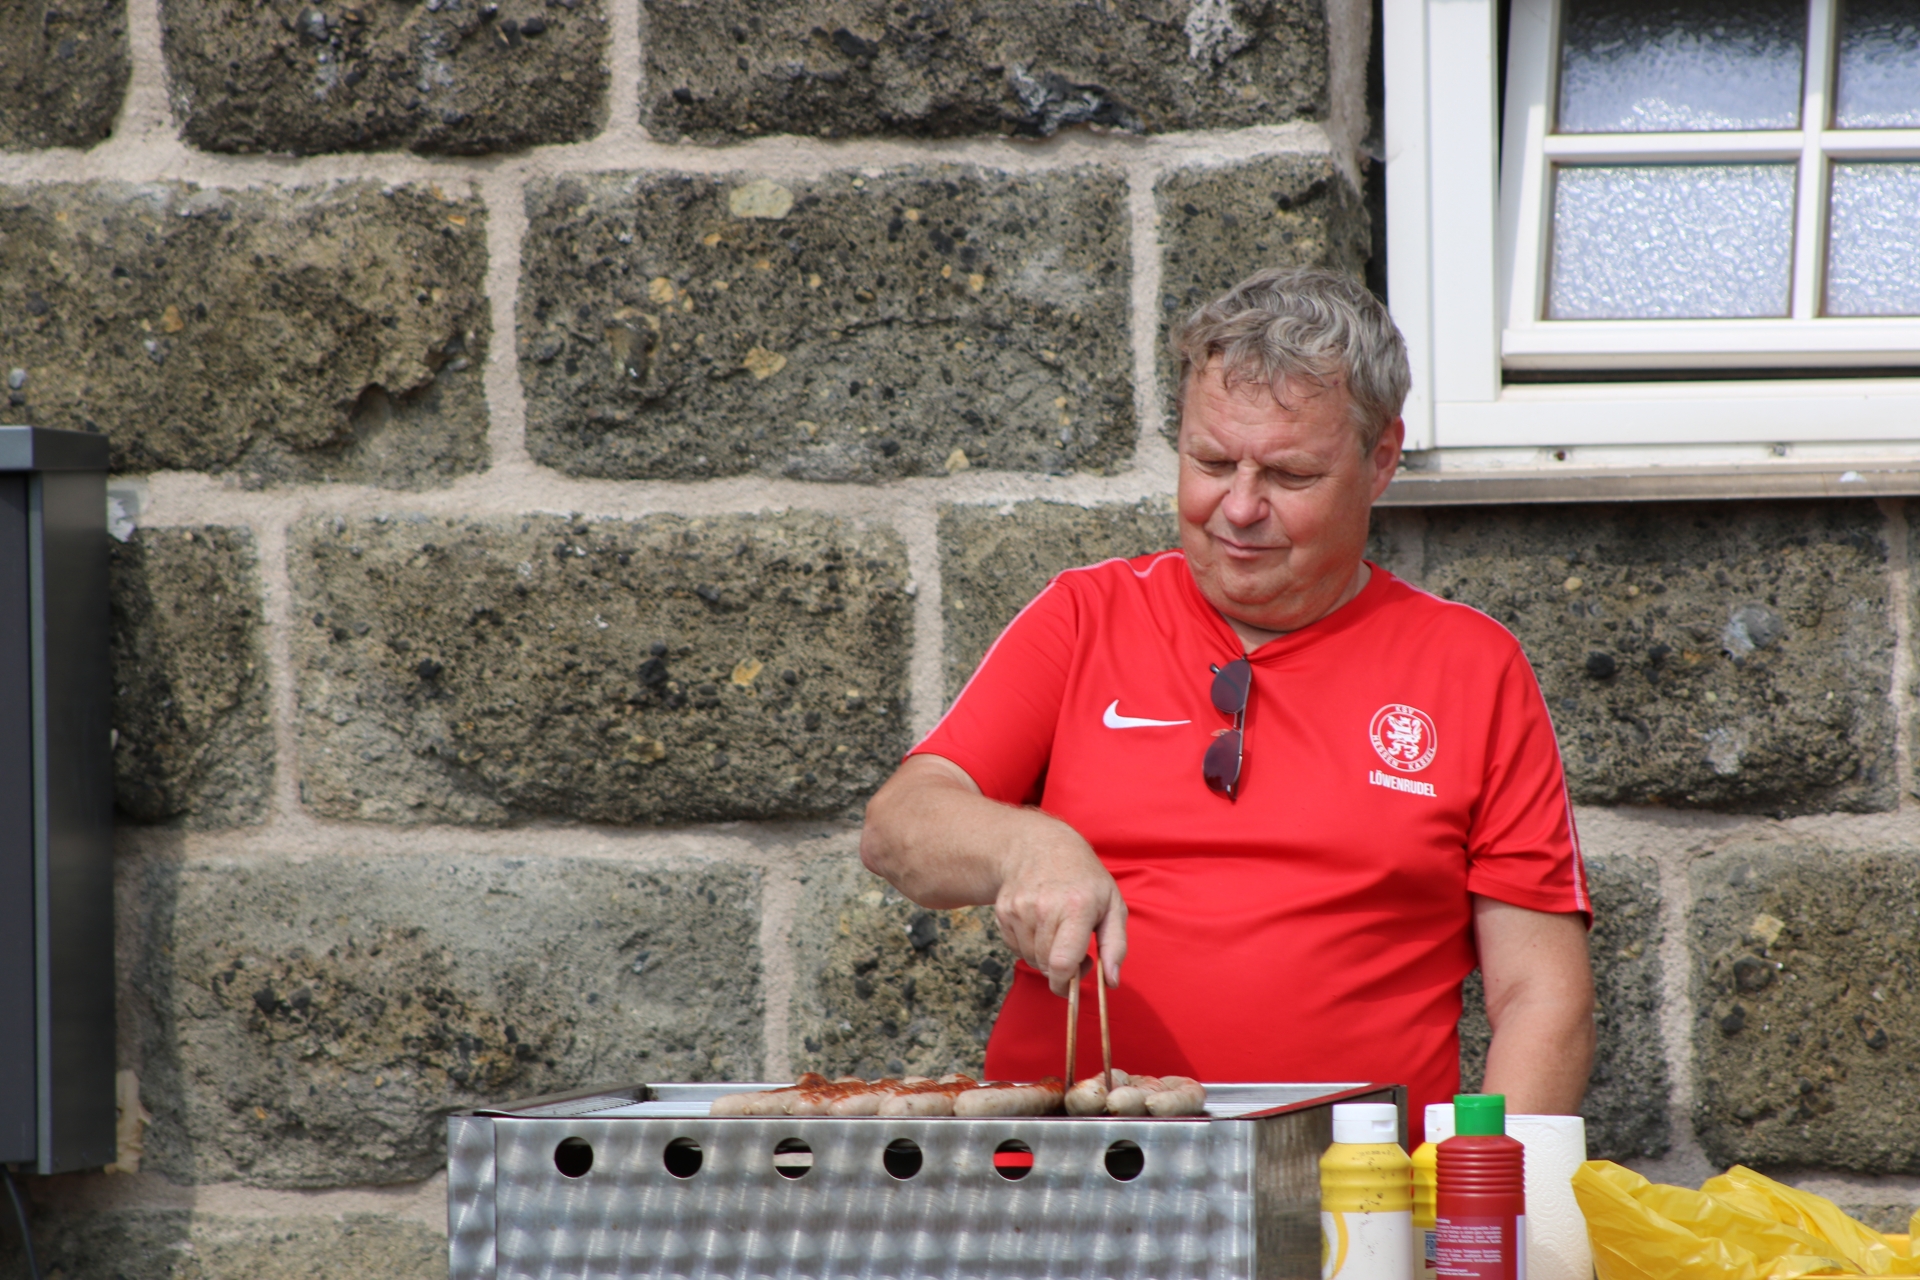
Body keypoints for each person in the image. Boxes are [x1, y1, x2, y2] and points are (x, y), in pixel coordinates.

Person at [860, 267, 1595, 1139]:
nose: (1239, 508)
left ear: (1381, 460)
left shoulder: (1471, 666)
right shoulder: (1085, 615)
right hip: (1068, 1175)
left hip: (1352, 1189)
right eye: (1210, 463)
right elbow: (899, 827)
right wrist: (1028, 846)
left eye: (1289, 474)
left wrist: (1480, 1193)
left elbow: (1542, 995)